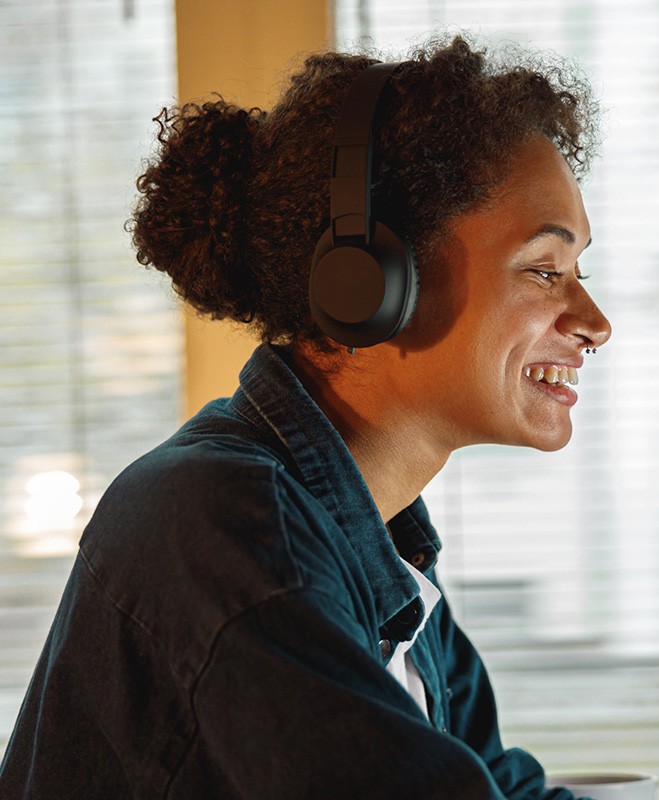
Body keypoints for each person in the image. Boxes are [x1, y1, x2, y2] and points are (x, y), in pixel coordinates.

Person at [0, 34, 610, 799]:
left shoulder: (385, 561)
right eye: (546, 270)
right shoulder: (223, 522)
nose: (594, 321)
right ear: (371, 280)